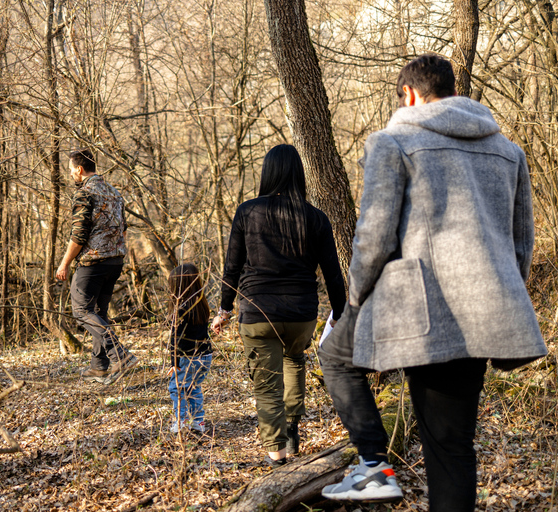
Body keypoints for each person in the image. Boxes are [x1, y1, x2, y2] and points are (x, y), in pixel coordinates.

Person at [320, 55, 547, 509]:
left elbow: (374, 237)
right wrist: (497, 300)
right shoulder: (508, 149)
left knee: (335, 356)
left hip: (414, 307)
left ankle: (374, 468)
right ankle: (376, 471)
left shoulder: (394, 141)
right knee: (451, 449)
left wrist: (355, 300)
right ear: (452, 91)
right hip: (487, 312)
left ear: (409, 95)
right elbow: (522, 245)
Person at [212, 144, 346, 468]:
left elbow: (232, 267)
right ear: (299, 175)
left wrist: (224, 309)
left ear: (267, 173)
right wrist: (341, 314)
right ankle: (293, 427)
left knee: (266, 383)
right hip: (301, 315)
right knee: (294, 360)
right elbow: (332, 272)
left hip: (258, 313)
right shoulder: (315, 218)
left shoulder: (247, 212)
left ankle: (278, 454)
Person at [56, 148, 138, 385]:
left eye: (71, 170)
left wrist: (64, 263)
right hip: (115, 262)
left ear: (79, 170)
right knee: (98, 314)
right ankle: (99, 367)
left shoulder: (85, 193)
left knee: (82, 312)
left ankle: (120, 356)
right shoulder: (114, 193)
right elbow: (123, 229)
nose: (71, 174)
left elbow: (79, 235)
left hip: (92, 262)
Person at [167, 263, 213, 434]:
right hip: (205, 355)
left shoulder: (180, 310)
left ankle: (181, 421)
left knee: (177, 388)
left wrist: (174, 362)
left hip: (188, 357)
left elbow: (174, 339)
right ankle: (198, 422)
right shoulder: (201, 305)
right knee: (194, 388)